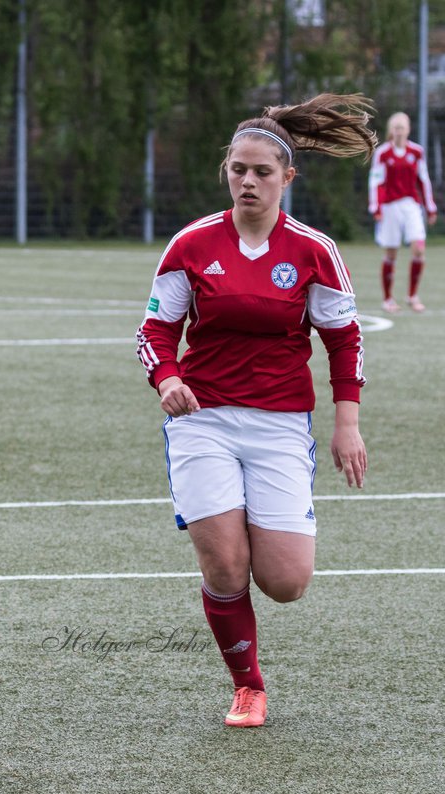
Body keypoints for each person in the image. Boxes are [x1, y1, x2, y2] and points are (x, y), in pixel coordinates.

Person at [136, 94, 374, 728]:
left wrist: (346, 421)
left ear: (287, 179)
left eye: (262, 171)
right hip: (203, 421)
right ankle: (248, 687)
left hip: (279, 424)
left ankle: (252, 640)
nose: (248, 180)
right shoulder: (191, 245)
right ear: (227, 172)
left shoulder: (315, 251)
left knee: (287, 581)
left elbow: (343, 339)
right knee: (225, 563)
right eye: (238, 169)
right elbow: (155, 331)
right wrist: (167, 379)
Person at [369, 111, 437, 313]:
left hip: (411, 205)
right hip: (390, 207)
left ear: (408, 130)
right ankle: (388, 299)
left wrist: (430, 207)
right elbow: (376, 182)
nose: (399, 131)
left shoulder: (417, 152)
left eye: (403, 127)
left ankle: (412, 296)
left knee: (419, 249)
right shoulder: (383, 153)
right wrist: (376, 207)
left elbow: (423, 180)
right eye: (396, 128)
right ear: (392, 130)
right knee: (391, 253)